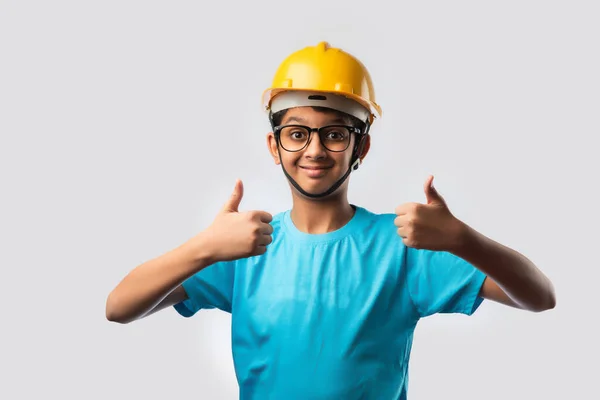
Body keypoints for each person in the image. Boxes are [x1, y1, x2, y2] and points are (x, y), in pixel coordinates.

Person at [106, 41, 556, 399]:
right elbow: (119, 308)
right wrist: (204, 247)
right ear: (274, 145)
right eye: (297, 133)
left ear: (361, 148)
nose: (315, 150)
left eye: (335, 134)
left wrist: (462, 239)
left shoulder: (401, 246)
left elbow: (540, 297)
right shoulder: (245, 246)